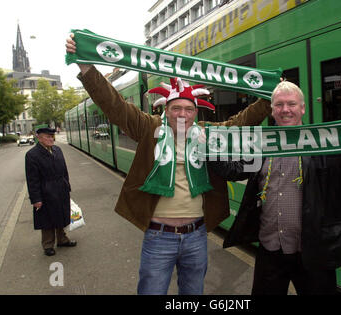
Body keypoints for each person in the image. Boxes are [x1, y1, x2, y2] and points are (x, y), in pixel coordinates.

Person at [65, 35, 271, 295]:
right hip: (158, 236)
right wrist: (86, 68)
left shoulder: (208, 133)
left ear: (196, 112)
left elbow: (241, 123)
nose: (182, 114)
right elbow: (114, 106)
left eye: (188, 109)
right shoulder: (148, 127)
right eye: (176, 109)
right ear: (166, 110)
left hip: (197, 235)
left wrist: (268, 99)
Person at [209, 80, 341, 295]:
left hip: (314, 253)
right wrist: (208, 147)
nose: (285, 110)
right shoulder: (260, 145)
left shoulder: (324, 142)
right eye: (279, 105)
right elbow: (234, 170)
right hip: (270, 250)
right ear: (271, 110)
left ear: (303, 108)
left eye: (291, 104)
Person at [25, 127, 76, 257]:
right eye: (47, 136)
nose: (51, 139)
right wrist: (36, 199)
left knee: (61, 215)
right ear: (39, 138)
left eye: (52, 136)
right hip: (46, 191)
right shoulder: (32, 155)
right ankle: (48, 245)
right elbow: (32, 180)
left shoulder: (57, 150)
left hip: (60, 188)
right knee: (47, 219)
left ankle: (62, 239)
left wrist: (67, 186)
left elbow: (64, 170)